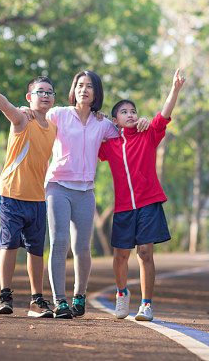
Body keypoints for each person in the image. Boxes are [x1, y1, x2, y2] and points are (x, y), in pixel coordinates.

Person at [42, 70, 150, 319]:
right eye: (80, 85)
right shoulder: (58, 114)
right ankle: (60, 301)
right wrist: (25, 111)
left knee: (82, 247)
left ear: (96, 93)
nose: (84, 89)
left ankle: (79, 296)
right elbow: (37, 118)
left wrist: (141, 119)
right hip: (58, 187)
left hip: (85, 191)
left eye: (89, 86)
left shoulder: (102, 124)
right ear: (74, 90)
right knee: (59, 243)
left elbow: (125, 131)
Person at [97, 68, 186, 321]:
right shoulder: (109, 145)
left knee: (145, 252)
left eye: (133, 111)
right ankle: (122, 293)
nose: (130, 115)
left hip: (149, 202)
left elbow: (165, 114)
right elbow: (89, 136)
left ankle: (146, 304)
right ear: (115, 121)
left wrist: (175, 89)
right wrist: (99, 119)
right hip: (124, 207)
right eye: (123, 112)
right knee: (120, 256)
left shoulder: (148, 134)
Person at [0, 76, 57, 317]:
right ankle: (5, 296)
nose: (45, 96)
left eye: (49, 92)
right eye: (40, 92)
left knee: (35, 250)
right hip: (11, 193)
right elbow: (8, 109)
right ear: (29, 97)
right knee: (9, 242)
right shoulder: (22, 118)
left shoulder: (53, 127)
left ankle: (36, 301)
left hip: (37, 198)